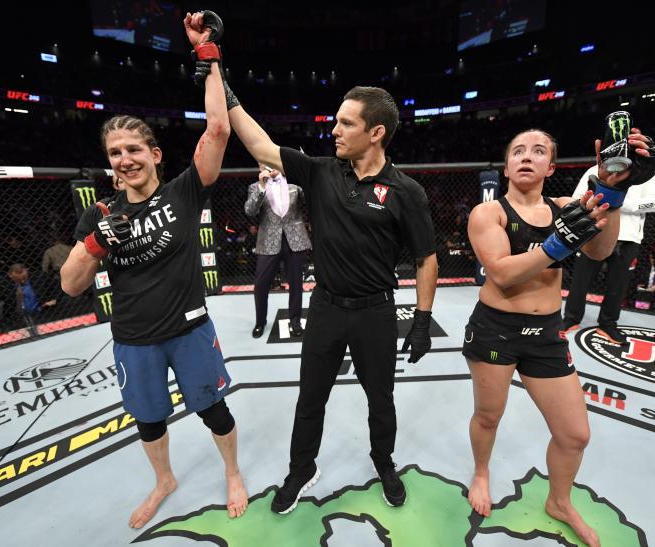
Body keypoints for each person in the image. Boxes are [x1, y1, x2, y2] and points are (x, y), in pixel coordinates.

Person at [214, 76, 438, 513]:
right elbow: (261, 147)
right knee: (310, 396)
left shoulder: (406, 193)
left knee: (381, 399)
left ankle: (383, 462)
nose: (333, 130)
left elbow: (427, 258)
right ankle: (301, 470)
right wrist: (223, 88)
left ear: (376, 133)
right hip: (326, 308)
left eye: (345, 123)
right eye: (336, 121)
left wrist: (423, 320)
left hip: (376, 311)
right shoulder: (320, 172)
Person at [60, 10, 248, 528]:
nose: (124, 159)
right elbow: (71, 284)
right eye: (115, 153)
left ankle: (232, 472)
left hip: (189, 331)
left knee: (216, 412)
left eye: (133, 149)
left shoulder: (184, 192)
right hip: (134, 338)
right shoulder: (97, 214)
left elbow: (217, 128)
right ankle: (164, 480)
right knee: (148, 421)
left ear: (155, 153)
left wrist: (208, 56)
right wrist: (95, 245)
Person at [463, 127, 655, 547]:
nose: (526, 156)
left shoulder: (570, 206)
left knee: (575, 434)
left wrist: (611, 193)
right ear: (508, 165)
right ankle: (481, 472)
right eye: (517, 150)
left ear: (552, 167)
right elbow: (501, 272)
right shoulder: (489, 214)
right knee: (488, 417)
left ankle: (559, 500)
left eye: (538, 151)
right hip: (496, 328)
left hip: (546, 334)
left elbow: (600, 252)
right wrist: (557, 243)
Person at [562, 166, 655, 343]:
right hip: (593, 231)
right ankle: (570, 319)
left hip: (628, 236)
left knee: (618, 284)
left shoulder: (648, 171)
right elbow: (577, 198)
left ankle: (608, 325)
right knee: (580, 279)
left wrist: (618, 201)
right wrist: (595, 203)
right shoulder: (597, 168)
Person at [244, 164, 311, 338]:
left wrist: (302, 175)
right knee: (260, 285)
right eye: (263, 162)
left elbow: (310, 200)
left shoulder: (295, 185)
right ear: (259, 166)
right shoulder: (255, 187)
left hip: (295, 239)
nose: (267, 165)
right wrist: (261, 186)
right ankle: (260, 322)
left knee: (296, 283)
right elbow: (250, 211)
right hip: (268, 241)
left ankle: (295, 321)